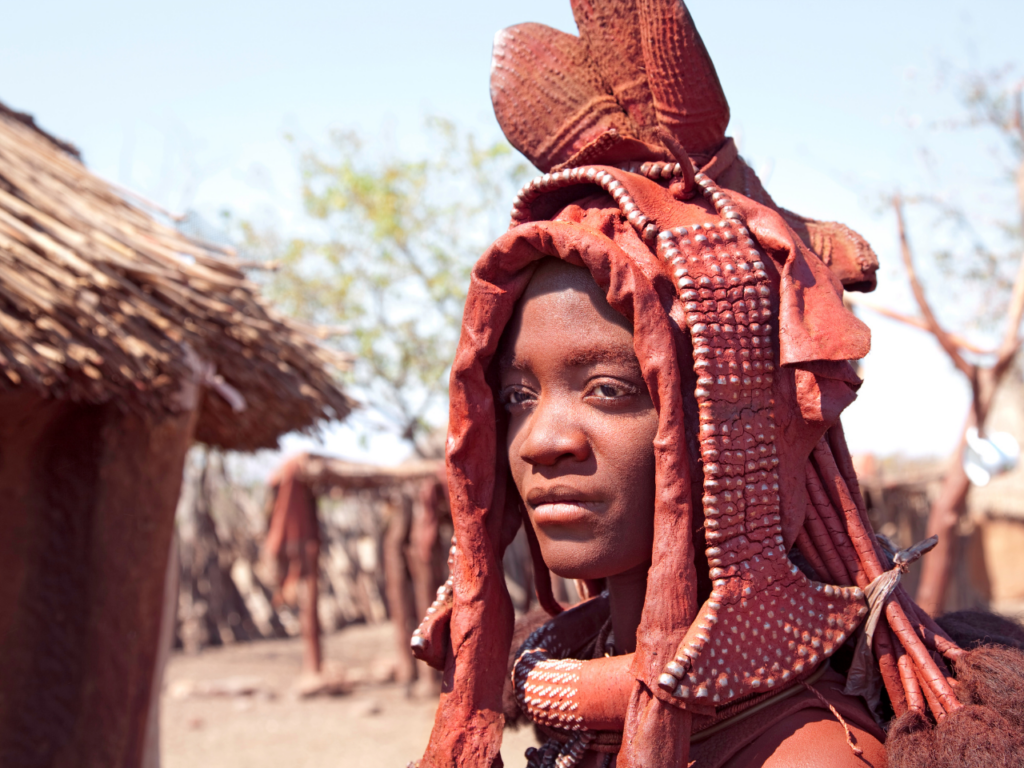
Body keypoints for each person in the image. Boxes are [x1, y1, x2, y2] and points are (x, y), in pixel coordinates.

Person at [409, 2, 1024, 766]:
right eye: (518, 397)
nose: (543, 440)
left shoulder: (801, 756)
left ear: (735, 430)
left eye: (608, 390)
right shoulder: (585, 719)